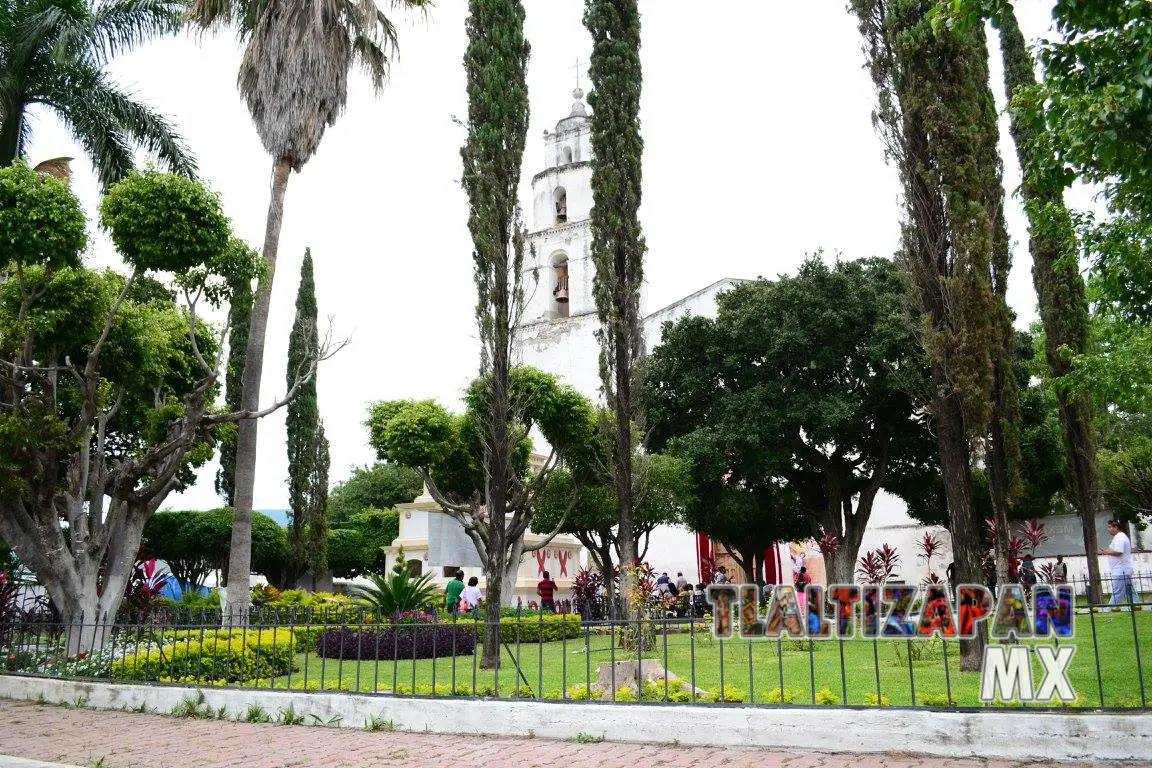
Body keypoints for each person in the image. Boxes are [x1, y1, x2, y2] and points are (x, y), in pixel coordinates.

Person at [1099, 519, 1136, 606]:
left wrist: (1106, 552)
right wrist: (1105, 551)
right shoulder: (1119, 537)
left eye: (1110, 527)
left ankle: (1110, 610)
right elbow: (1114, 550)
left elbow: (1119, 552)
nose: (1108, 529)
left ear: (1116, 527)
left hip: (1121, 570)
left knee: (1117, 592)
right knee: (1130, 591)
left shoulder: (1120, 537)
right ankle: (1136, 606)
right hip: (1123, 569)